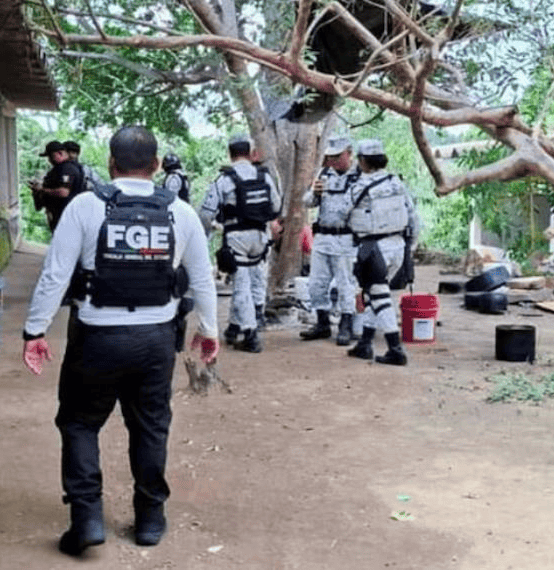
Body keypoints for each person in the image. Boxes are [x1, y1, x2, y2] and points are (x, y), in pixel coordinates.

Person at [22, 126, 220, 556]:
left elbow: (55, 274)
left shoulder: (85, 207)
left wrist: (34, 331)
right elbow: (202, 278)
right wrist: (210, 331)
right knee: (150, 426)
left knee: (79, 423)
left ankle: (87, 519)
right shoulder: (181, 213)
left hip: (96, 338)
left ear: (112, 164)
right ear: (155, 166)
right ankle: (150, 519)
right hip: (156, 340)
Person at [198, 133, 282, 353]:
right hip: (261, 237)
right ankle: (235, 327)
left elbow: (206, 213)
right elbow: (276, 206)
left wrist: (207, 233)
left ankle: (250, 334)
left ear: (230, 153)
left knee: (241, 284)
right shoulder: (264, 176)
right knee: (254, 280)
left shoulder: (225, 179)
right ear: (250, 153)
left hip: (237, 237)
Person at [344, 139, 419, 366]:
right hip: (398, 245)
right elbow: (413, 217)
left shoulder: (359, 186)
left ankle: (395, 349)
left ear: (362, 161)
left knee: (379, 296)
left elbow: (341, 213)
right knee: (373, 296)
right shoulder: (396, 182)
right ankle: (365, 344)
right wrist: (410, 247)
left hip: (373, 248)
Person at [299, 136, 361, 346]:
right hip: (323, 237)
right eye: (330, 157)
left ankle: (346, 324)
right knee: (316, 283)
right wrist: (313, 193)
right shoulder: (324, 174)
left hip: (345, 238)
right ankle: (322, 322)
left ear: (349, 154)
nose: (333, 161)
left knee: (345, 284)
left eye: (337, 156)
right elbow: (307, 202)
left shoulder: (359, 176)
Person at [33, 140, 86, 232]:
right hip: (59, 215)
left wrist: (42, 189)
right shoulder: (61, 168)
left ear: (60, 153)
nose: (49, 160)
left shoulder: (67, 168)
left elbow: (63, 192)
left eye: (51, 156)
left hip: (65, 217)